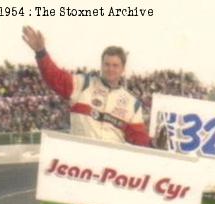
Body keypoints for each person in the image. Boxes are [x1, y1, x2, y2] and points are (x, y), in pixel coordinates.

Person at [22, 26, 150, 146]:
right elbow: (55, 77)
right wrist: (41, 53)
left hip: (110, 163)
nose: (110, 69)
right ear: (101, 65)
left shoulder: (132, 104)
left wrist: (155, 144)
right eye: (107, 64)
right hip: (79, 162)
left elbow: (140, 140)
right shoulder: (83, 84)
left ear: (123, 69)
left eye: (115, 65)